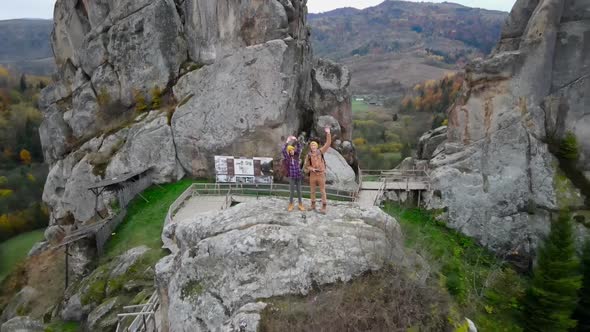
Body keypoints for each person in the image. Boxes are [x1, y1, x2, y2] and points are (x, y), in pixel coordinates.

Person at [304, 127, 331, 214]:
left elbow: (328, 144)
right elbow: (306, 166)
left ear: (317, 146)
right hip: (312, 174)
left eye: (314, 145)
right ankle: (313, 205)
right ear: (310, 147)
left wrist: (328, 133)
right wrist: (312, 169)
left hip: (321, 174)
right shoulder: (308, 155)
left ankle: (324, 206)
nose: (313, 147)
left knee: (322, 190)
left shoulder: (321, 151)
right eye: (312, 145)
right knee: (312, 191)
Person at [282, 135, 305, 212]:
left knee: (299, 191)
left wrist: (296, 140)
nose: (292, 151)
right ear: (288, 152)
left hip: (298, 176)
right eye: (290, 150)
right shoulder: (287, 158)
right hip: (292, 177)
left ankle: (300, 204)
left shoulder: (296, 156)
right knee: (292, 191)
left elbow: (299, 148)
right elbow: (283, 150)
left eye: (292, 150)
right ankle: (291, 204)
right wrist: (287, 142)